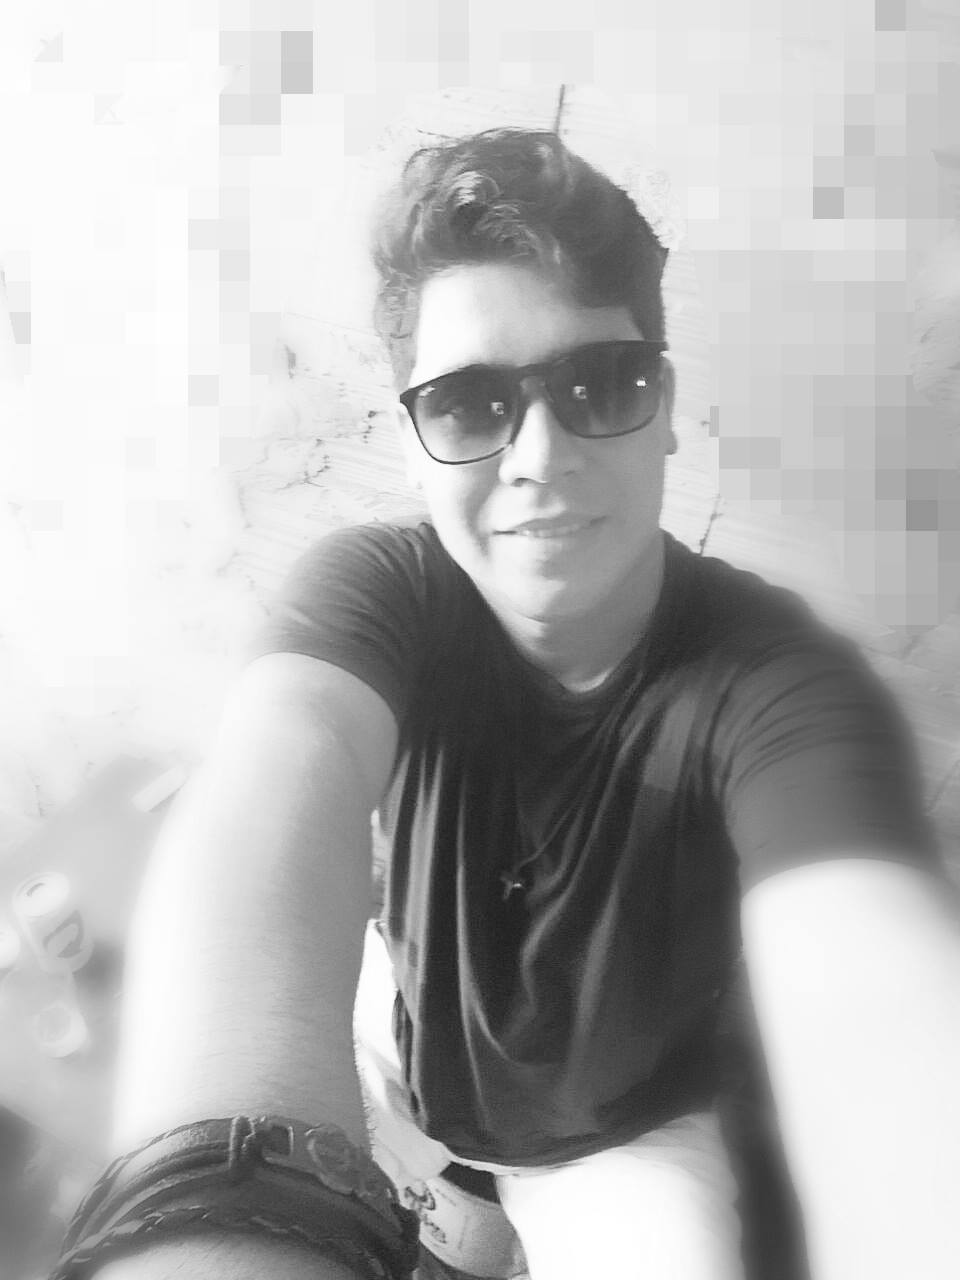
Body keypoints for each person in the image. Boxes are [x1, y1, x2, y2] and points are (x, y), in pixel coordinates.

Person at [71, 130, 960, 1280]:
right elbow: (274, 796)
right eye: (468, 403)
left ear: (665, 404)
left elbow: (871, 988)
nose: (540, 454)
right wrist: (216, 1204)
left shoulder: (778, 680)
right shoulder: (381, 587)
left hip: (619, 1136)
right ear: (411, 442)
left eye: (601, 384)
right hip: (402, 1041)